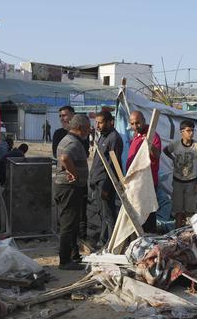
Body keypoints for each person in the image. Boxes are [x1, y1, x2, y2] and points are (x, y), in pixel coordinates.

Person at [55, 114, 90, 270]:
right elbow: (65, 157)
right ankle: (65, 261)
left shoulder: (70, 140)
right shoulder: (72, 142)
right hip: (69, 188)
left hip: (69, 188)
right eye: (88, 129)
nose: (89, 132)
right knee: (68, 225)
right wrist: (75, 174)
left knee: (71, 223)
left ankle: (71, 255)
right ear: (80, 128)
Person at [86, 109, 123, 247]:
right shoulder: (102, 136)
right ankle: (103, 240)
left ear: (110, 122)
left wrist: (107, 186)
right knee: (102, 213)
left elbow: (114, 164)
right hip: (97, 181)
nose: (97, 126)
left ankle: (111, 243)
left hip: (105, 182)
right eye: (96, 123)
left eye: (100, 123)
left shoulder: (114, 138)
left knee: (108, 213)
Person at [126, 110, 162, 233]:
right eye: (132, 124)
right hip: (136, 182)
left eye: (138, 123)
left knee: (148, 212)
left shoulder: (152, 135)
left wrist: (149, 142)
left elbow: (157, 155)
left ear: (144, 121)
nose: (135, 126)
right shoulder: (135, 135)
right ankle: (140, 237)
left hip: (148, 182)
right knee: (138, 212)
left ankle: (150, 237)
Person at [164, 120, 197, 228]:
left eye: (192, 130)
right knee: (178, 210)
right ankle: (178, 231)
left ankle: (189, 232)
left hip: (191, 182)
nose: (191, 133)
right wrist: (173, 158)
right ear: (182, 132)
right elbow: (165, 150)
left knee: (190, 210)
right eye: (188, 130)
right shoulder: (176, 144)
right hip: (177, 181)